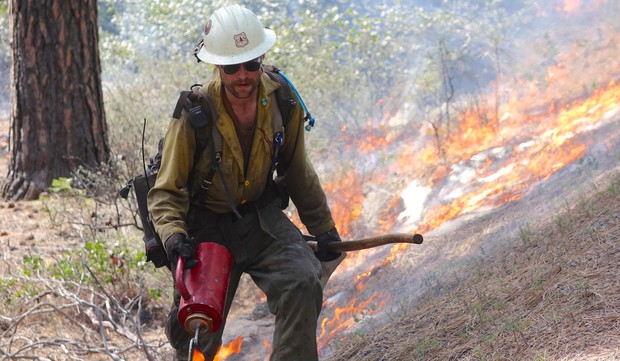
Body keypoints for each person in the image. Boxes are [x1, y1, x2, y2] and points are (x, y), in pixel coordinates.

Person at [147, 4, 343, 360]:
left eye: (251, 64)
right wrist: (175, 237)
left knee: (302, 282)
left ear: (262, 56)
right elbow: (166, 191)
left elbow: (298, 170)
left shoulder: (283, 99)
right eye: (231, 66)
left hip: (260, 219)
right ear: (216, 66)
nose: (243, 75)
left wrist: (324, 229)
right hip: (205, 229)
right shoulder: (194, 113)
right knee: (197, 329)